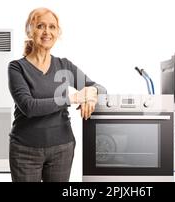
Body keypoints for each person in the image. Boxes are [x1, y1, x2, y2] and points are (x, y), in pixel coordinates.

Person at [8, 7, 106, 182]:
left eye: (52, 27)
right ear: (30, 30)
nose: (47, 32)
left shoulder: (64, 65)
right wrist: (73, 98)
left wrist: (92, 92)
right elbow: (29, 107)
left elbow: (100, 88)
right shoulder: (17, 67)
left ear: (57, 32)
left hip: (62, 148)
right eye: (40, 26)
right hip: (25, 151)